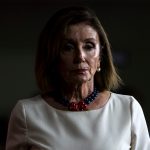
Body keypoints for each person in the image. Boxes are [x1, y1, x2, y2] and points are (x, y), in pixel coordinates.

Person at [5, 6, 150, 150]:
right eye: (68, 47)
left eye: (89, 46)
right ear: (52, 57)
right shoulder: (27, 113)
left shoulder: (128, 109)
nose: (80, 57)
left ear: (100, 57)